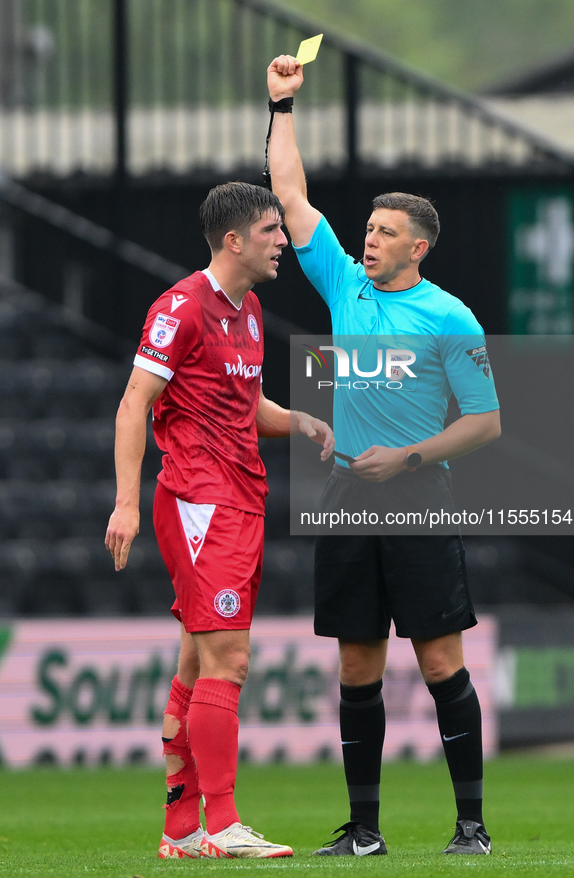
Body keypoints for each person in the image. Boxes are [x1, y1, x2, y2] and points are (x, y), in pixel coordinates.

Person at [266, 56, 501, 857]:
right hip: (344, 494)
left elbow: (486, 421)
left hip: (417, 492)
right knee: (356, 665)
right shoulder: (343, 285)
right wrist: (282, 106)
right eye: (365, 230)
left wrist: (406, 459)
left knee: (439, 660)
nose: (367, 239)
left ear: (418, 247)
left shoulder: (449, 316)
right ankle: (363, 830)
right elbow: (290, 195)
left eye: (384, 232)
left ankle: (470, 826)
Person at [105, 181, 334, 860]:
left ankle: (180, 830)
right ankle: (224, 822)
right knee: (228, 660)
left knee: (196, 661)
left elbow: (247, 405)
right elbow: (132, 405)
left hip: (241, 496)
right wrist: (124, 501)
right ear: (233, 240)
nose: (281, 242)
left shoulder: (252, 309)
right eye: (270, 230)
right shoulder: (180, 307)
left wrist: (299, 419)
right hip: (199, 500)